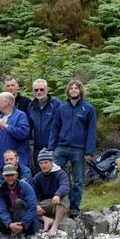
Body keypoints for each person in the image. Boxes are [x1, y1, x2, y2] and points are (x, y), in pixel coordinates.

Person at [48, 79, 97, 217]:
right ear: (68, 91)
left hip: (79, 149)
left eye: (76, 88)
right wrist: (51, 147)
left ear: (80, 90)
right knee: (53, 173)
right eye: (71, 88)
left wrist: (89, 151)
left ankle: (74, 208)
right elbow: (55, 128)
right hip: (61, 148)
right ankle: (54, 205)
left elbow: (92, 131)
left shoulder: (88, 109)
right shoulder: (62, 108)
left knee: (78, 180)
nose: (74, 90)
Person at [31, 149, 70, 237]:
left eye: (46, 162)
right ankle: (45, 219)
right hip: (46, 205)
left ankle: (55, 226)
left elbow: (65, 186)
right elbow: (32, 193)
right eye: (41, 163)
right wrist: (36, 205)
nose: (43, 165)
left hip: (59, 204)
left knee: (64, 197)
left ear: (51, 162)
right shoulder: (38, 177)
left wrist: (58, 194)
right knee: (27, 205)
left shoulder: (60, 173)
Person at [27, 78, 62, 172]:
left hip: (54, 148)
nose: (39, 92)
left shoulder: (57, 104)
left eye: (42, 89)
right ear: (33, 92)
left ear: (47, 90)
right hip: (37, 148)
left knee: (56, 174)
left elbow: (63, 126)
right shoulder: (31, 106)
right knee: (40, 176)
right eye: (36, 90)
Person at [0, 92, 31, 170]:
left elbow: (23, 133)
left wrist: (7, 126)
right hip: (1, 165)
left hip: (17, 165)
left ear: (6, 102)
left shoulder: (20, 115)